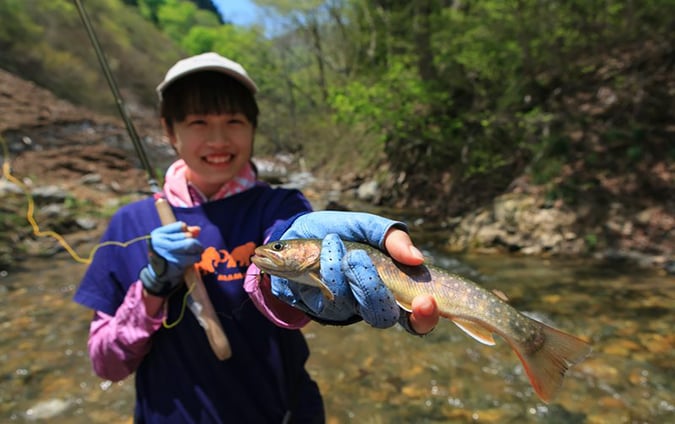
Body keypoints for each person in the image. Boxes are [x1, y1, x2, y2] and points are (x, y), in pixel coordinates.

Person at [73, 52, 439, 423]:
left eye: (234, 121)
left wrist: (296, 293)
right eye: (199, 122)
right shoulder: (128, 225)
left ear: (253, 127)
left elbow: (285, 254)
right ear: (170, 131)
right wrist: (151, 289)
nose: (218, 139)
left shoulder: (281, 207)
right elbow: (106, 365)